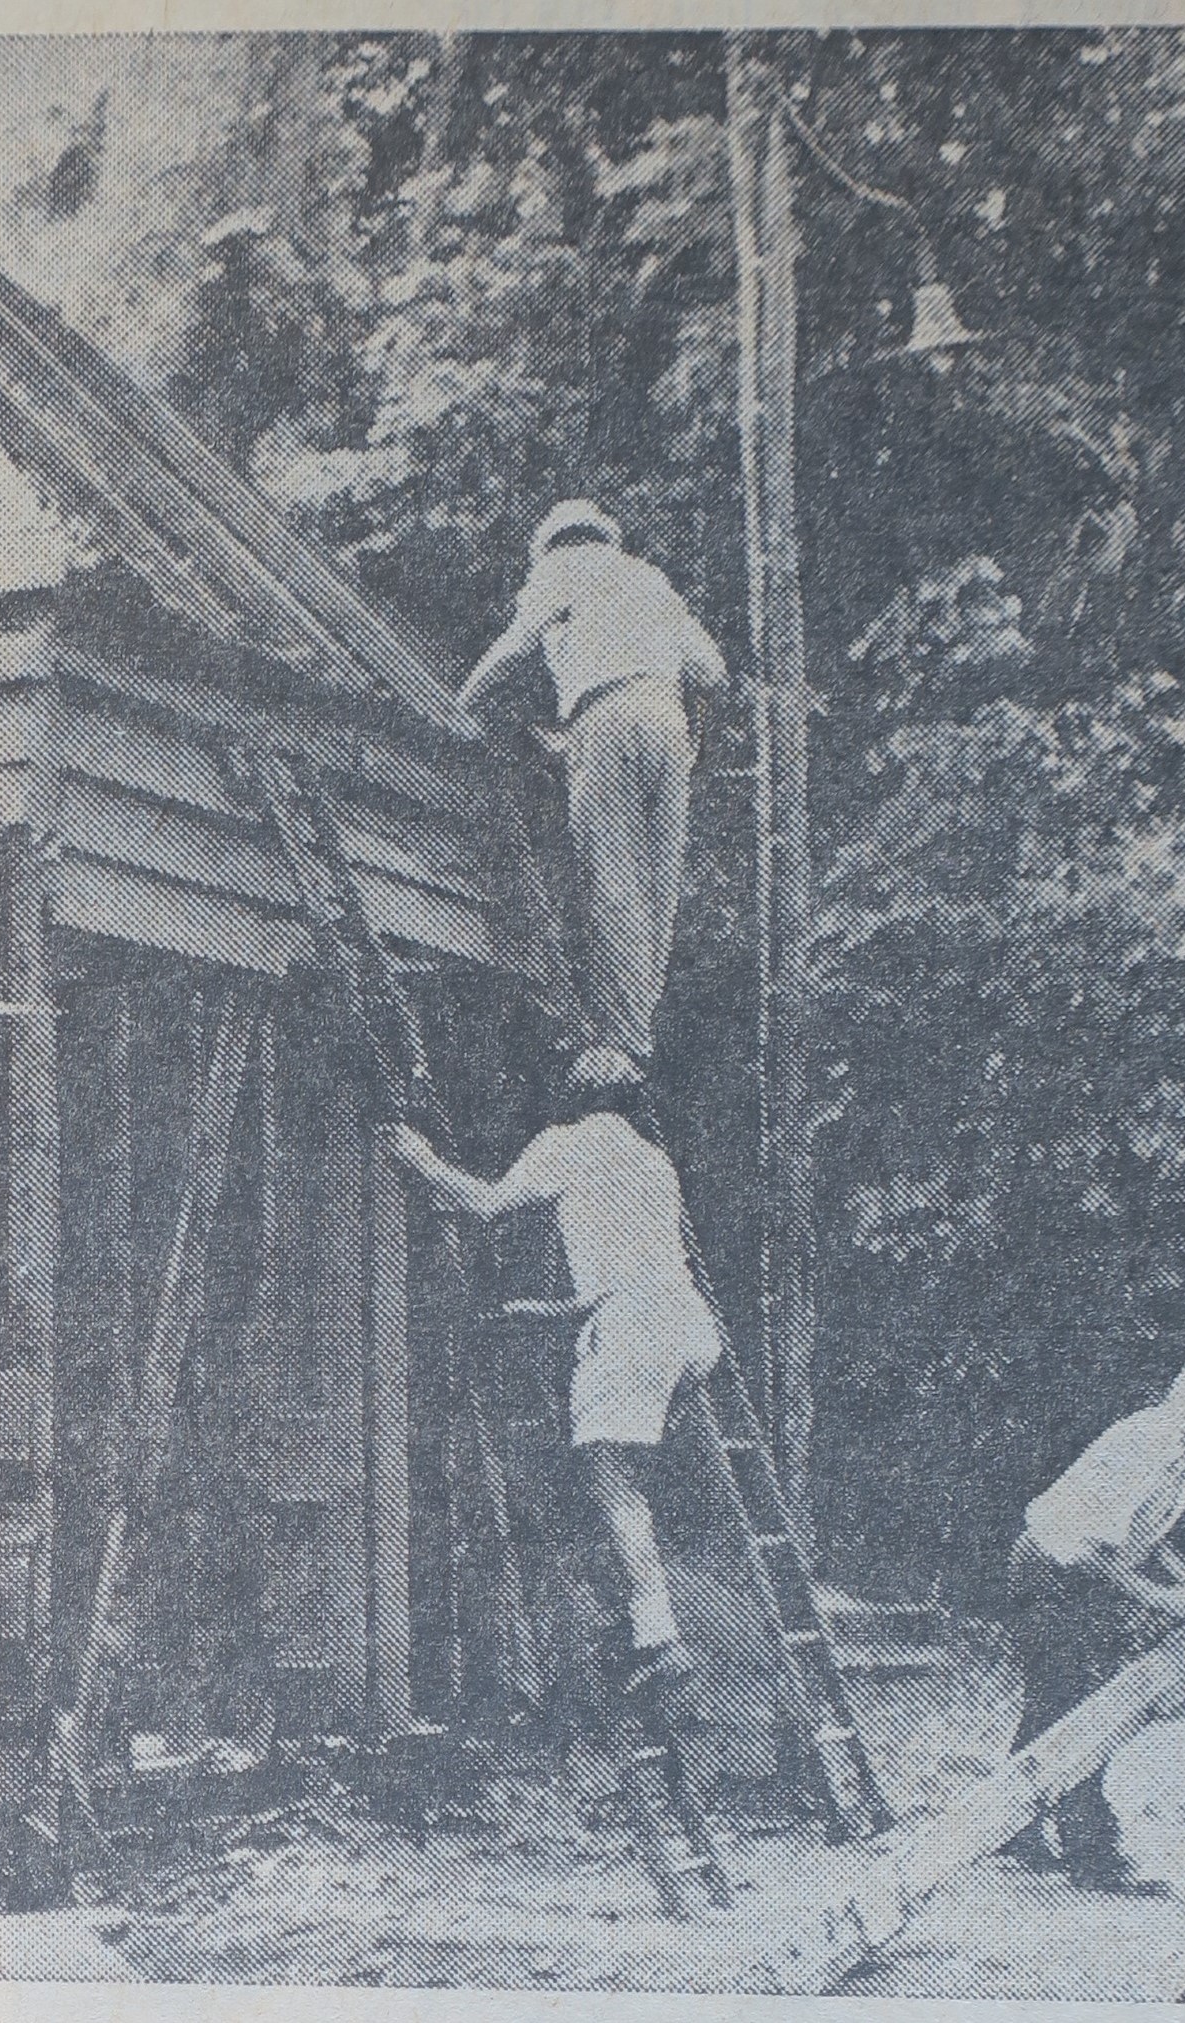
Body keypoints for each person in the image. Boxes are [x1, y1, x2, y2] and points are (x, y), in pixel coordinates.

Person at [391, 1048, 722, 1707]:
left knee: (609, 1483)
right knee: (628, 1481)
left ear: (575, 1099)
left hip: (631, 1329)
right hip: (689, 1327)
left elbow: (485, 1206)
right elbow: (637, 1273)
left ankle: (656, 1634)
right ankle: (637, 1613)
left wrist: (421, 1161)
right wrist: (547, 1312)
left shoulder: (566, 1142)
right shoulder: (653, 1161)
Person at [451, 502, 728, 1071]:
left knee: (613, 884)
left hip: (604, 720)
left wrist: (455, 706)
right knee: (659, 892)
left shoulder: (559, 571)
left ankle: (627, 1046)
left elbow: (511, 652)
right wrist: (692, 738)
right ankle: (640, 1028)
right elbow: (713, 672)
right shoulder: (649, 580)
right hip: (668, 726)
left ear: (551, 545)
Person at [1003, 1353, 1185, 1888]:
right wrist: (1163, 1602)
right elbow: (1093, 1551)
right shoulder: (1150, 1442)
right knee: (1083, 1709)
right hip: (1050, 1569)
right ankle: (1092, 1857)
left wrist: (1184, 1583)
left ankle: (1013, 1825)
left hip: (1077, 1574)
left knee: (1053, 1702)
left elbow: (1145, 1536)